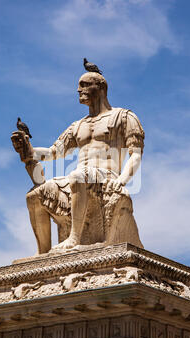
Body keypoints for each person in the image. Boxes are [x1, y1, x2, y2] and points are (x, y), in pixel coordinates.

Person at [11, 72, 144, 254]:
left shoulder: (123, 117)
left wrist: (121, 180)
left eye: (84, 85)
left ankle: (75, 238)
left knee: (77, 176)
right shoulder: (77, 126)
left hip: (106, 176)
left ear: (101, 88)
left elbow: (135, 154)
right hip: (78, 180)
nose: (78, 89)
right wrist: (27, 149)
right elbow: (52, 152)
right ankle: (43, 253)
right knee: (34, 196)